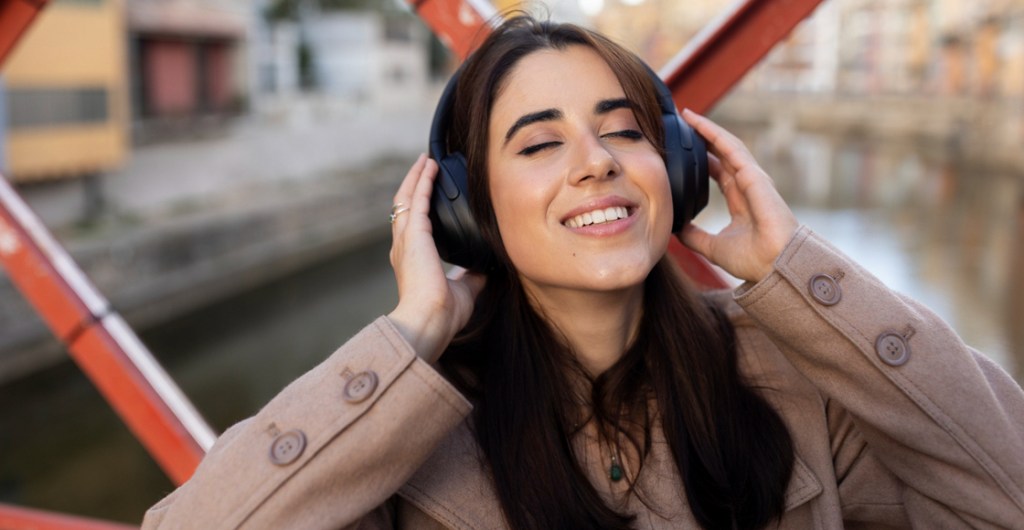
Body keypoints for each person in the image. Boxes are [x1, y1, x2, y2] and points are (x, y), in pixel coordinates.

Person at [142, 15, 1024, 530]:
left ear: (680, 171)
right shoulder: (404, 442)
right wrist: (408, 338)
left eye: (626, 130)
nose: (595, 162)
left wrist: (804, 278)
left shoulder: (799, 380)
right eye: (538, 143)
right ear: (466, 209)